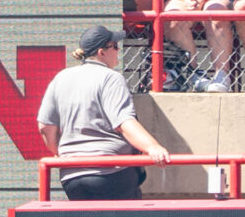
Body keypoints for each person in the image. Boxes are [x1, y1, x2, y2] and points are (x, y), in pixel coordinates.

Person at [34, 24, 170, 199]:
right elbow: (124, 122)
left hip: (71, 176)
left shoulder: (61, 77)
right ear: (101, 52)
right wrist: (153, 147)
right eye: (114, 46)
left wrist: (61, 152)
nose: (118, 51)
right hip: (111, 171)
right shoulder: (111, 77)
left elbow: (45, 126)